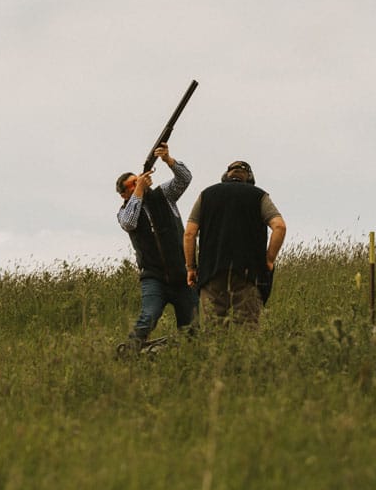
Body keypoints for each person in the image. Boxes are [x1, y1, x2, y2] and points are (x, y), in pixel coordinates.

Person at [182, 160, 286, 328]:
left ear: (226, 176)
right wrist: (269, 259)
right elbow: (279, 226)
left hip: (211, 272)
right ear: (249, 178)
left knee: (213, 334)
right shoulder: (259, 196)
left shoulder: (206, 195)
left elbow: (189, 234)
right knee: (248, 334)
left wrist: (191, 268)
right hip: (248, 273)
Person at [115, 143, 197, 352]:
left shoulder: (164, 196)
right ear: (124, 194)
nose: (140, 182)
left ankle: (187, 359)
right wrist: (139, 192)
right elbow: (129, 222)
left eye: (138, 179)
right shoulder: (124, 211)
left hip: (181, 275)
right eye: (133, 183)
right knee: (148, 318)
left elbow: (184, 179)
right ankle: (129, 353)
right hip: (153, 277)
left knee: (191, 327)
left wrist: (168, 160)